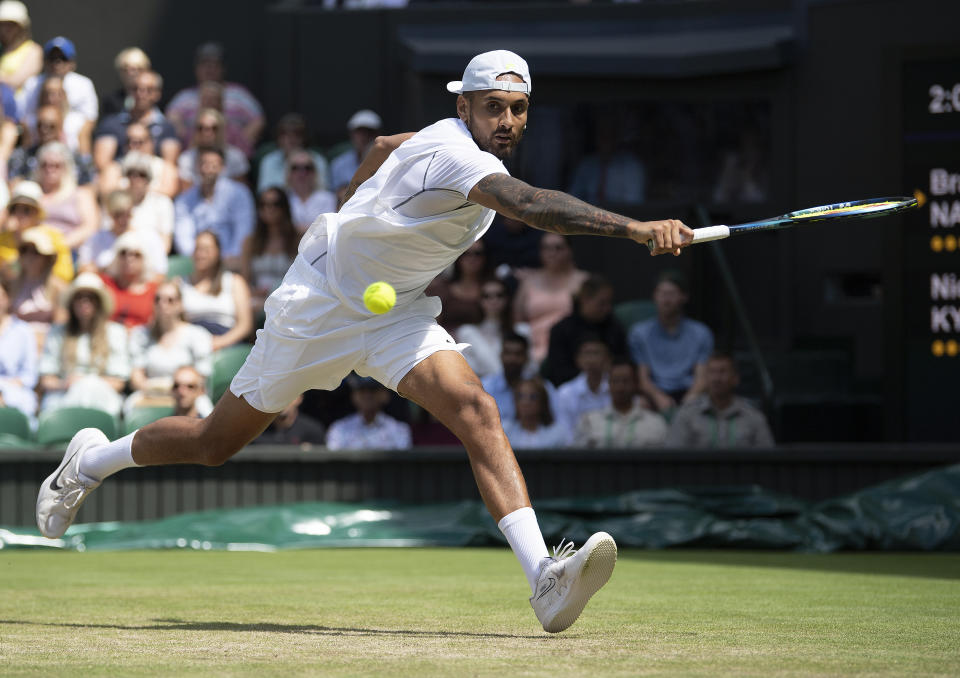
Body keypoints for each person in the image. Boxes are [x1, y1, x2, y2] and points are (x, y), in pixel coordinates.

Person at [36, 50, 692, 634]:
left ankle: (545, 582)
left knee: (476, 410)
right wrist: (636, 229)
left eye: (519, 110)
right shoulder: (460, 154)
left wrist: (354, 198)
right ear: (463, 107)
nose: (508, 121)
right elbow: (532, 205)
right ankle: (91, 463)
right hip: (317, 309)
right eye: (494, 107)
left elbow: (381, 143)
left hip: (393, 311)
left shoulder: (443, 140)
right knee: (215, 443)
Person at [37, 272, 130, 417]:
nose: (84, 302)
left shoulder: (115, 333)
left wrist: (87, 383)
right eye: (79, 297)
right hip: (64, 394)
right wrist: (65, 384)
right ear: (72, 302)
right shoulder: (57, 332)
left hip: (102, 395)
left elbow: (118, 382)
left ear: (99, 302)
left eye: (90, 298)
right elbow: (46, 379)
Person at [628, 270, 714, 413]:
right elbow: (643, 379)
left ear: (684, 297)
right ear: (654, 296)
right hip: (653, 394)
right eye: (661, 293)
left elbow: (701, 378)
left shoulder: (701, 333)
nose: (666, 299)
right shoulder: (639, 333)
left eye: (672, 294)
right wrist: (658, 397)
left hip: (690, 394)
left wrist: (689, 399)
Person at [126, 282, 214, 417]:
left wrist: (178, 390)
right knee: (129, 407)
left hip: (186, 394)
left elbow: (202, 376)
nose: (163, 304)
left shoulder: (197, 335)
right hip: (149, 394)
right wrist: (153, 390)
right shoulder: (141, 334)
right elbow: (136, 375)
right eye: (158, 299)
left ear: (180, 304)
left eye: (170, 300)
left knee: (206, 410)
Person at [164, 42, 265, 158]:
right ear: (196, 68)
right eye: (205, 65)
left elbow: (258, 120)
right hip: (194, 152)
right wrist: (186, 138)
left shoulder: (239, 94)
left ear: (223, 68)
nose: (209, 69)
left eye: (214, 65)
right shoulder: (184, 96)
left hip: (231, 151)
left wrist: (241, 141)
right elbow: (171, 118)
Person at [665, 352, 775, 449]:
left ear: (735, 379)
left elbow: (768, 461)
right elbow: (672, 459)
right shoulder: (687, 414)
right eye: (711, 372)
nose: (716, 378)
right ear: (705, 379)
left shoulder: (753, 417)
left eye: (722, 372)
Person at [513, 232, 588, 365]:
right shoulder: (529, 282)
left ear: (569, 250)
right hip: (533, 353)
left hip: (571, 350)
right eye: (546, 248)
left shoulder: (582, 281)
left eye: (558, 248)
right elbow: (518, 321)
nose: (552, 253)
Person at [541, 273, 627, 387]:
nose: (608, 308)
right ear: (585, 299)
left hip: (611, 389)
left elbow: (624, 363)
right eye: (602, 303)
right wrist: (591, 375)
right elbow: (558, 371)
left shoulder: (615, 327)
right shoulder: (561, 330)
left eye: (609, 303)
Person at [173, 147, 255, 265]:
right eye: (204, 164)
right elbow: (183, 236)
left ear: (223, 167)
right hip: (197, 260)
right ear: (197, 167)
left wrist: (229, 256)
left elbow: (243, 231)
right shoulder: (184, 200)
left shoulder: (239, 193)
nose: (208, 169)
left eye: (213, 165)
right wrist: (197, 257)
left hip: (232, 260)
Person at [19, 37, 98, 158]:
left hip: (70, 133)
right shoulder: (32, 83)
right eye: (52, 58)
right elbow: (23, 116)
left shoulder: (83, 84)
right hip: (40, 129)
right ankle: (26, 161)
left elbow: (90, 118)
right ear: (45, 61)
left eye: (63, 58)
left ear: (72, 63)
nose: (57, 63)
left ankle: (84, 166)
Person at [177, 230, 253, 351]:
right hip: (190, 341)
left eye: (206, 249)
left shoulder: (234, 282)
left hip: (226, 341)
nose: (201, 254)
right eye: (197, 249)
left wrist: (220, 342)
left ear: (217, 252)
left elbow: (245, 325)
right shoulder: (179, 283)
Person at [93, 70, 180, 173]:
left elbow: (169, 167)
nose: (141, 94)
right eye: (136, 89)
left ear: (158, 94)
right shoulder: (111, 124)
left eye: (148, 90)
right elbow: (102, 164)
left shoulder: (167, 128)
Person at [574, 359, 667, 449]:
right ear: (608, 384)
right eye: (615, 381)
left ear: (636, 384)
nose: (620, 387)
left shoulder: (655, 423)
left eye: (626, 381)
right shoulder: (589, 421)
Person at [240, 187, 299, 320]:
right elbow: (244, 281)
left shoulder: (297, 239)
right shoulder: (250, 242)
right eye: (263, 204)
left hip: (287, 298)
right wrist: (254, 292)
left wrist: (273, 291)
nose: (269, 208)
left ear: (284, 207)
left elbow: (301, 276)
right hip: (256, 298)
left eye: (275, 204)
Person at [0, 181, 74, 283]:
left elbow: (64, 276)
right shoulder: (3, 239)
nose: (20, 213)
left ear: (37, 212)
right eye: (16, 208)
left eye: (26, 210)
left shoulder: (54, 238)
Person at [456, 277, 530, 378]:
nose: (493, 300)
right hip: (480, 387)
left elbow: (530, 368)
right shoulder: (467, 332)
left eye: (499, 295)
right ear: (480, 301)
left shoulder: (522, 330)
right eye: (487, 296)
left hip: (516, 388)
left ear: (507, 298)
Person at [34, 141, 99, 252]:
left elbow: (90, 227)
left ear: (66, 167)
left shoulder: (80, 194)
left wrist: (60, 245)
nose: (50, 169)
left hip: (69, 252)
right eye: (45, 165)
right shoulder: (32, 192)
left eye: (56, 165)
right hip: (33, 251)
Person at [9, 104, 94, 186]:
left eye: (51, 126)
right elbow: (14, 183)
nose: (44, 130)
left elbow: (89, 187)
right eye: (40, 125)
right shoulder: (22, 157)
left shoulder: (76, 159)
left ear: (60, 127)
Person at [481, 332, 556, 424]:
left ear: (526, 357)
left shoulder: (542, 387)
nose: (512, 358)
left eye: (518, 354)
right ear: (501, 355)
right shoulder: (485, 387)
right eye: (508, 353)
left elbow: (554, 421)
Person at [10, 227, 66, 350]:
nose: (29, 256)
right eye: (25, 250)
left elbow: (61, 325)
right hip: (14, 346)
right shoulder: (11, 285)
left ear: (47, 257)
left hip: (46, 346)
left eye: (35, 252)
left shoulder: (58, 287)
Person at [325, 376, 412, 451]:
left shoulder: (399, 429)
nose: (367, 396)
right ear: (353, 395)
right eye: (361, 390)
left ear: (385, 395)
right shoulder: (339, 429)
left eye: (373, 390)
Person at [97, 124, 178, 198]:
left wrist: (136, 189)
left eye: (139, 142)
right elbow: (107, 192)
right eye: (130, 141)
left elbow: (169, 191)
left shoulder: (165, 167)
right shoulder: (114, 168)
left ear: (150, 143)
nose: (133, 146)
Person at [98, 230, 160, 329]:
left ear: (144, 260)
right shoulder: (104, 284)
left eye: (136, 254)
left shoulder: (154, 290)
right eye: (123, 253)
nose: (129, 258)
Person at [553, 335, 612, 438]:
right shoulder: (565, 393)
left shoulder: (617, 387)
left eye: (596, 353)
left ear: (607, 358)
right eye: (587, 354)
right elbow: (566, 433)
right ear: (578, 359)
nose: (592, 359)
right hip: (577, 450)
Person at [256, 113, 329, 193]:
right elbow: (265, 193)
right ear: (278, 138)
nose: (290, 140)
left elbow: (323, 191)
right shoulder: (269, 161)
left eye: (296, 134)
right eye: (285, 134)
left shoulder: (318, 160)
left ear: (304, 138)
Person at [177, 108, 249, 189]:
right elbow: (187, 193)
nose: (207, 133)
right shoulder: (186, 159)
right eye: (201, 128)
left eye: (214, 128)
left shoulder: (236, 157)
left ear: (222, 130)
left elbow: (240, 191)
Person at [0, 277, 38, 419]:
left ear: (7, 298)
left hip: (15, 391)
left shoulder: (23, 331)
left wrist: (7, 387)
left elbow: (29, 375)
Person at [501, 377, 570, 449]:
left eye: (533, 397)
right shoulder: (505, 431)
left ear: (542, 402)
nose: (526, 402)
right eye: (521, 396)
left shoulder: (557, 434)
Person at [329, 108, 381, 204]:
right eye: (360, 132)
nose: (364, 137)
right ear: (351, 134)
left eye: (369, 132)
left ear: (377, 135)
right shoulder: (339, 164)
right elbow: (337, 195)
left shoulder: (387, 161)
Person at [284, 148, 336, 232]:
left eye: (307, 168)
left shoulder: (328, 198)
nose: (302, 173)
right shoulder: (283, 198)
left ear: (315, 172)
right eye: (295, 168)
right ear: (288, 173)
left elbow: (327, 228)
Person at [0, 0, 41, 95]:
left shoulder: (33, 50)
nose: (5, 29)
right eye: (2, 24)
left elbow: (16, 81)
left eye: (11, 25)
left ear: (21, 27)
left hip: (18, 106)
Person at [252, 394, 326, 446]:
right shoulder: (256, 432)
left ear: (299, 398)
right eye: (277, 397)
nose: (282, 402)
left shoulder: (312, 431)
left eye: (287, 396)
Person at [100, 47, 150, 117]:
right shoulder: (111, 100)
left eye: (136, 69)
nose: (131, 73)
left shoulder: (154, 98)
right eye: (126, 69)